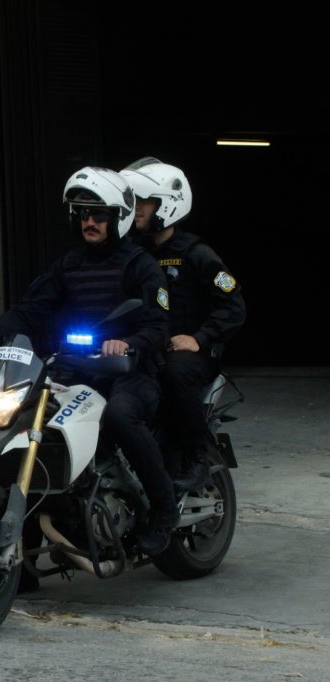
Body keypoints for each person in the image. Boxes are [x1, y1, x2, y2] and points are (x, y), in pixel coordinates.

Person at [0, 166, 177, 560]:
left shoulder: (140, 265)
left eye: (99, 214)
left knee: (121, 416)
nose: (90, 222)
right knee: (25, 420)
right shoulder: (68, 266)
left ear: (119, 217)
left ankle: (164, 510)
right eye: (83, 214)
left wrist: (128, 344)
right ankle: (25, 551)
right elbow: (31, 310)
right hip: (74, 369)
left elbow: (159, 325)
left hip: (131, 371)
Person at [121, 157, 246, 491]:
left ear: (167, 204)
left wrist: (199, 338)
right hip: (148, 345)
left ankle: (197, 457)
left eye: (144, 201)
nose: (136, 208)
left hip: (191, 353)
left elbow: (233, 306)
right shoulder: (132, 253)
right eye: (133, 201)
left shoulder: (197, 254)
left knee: (175, 372)